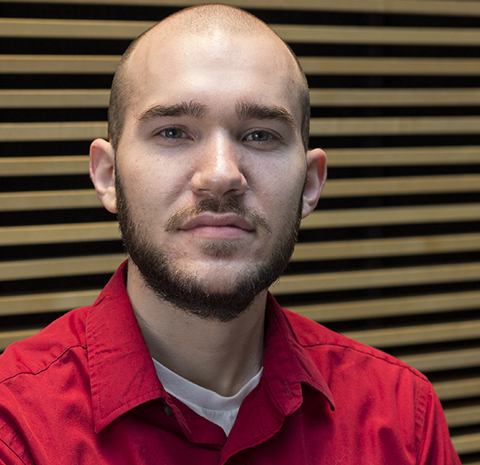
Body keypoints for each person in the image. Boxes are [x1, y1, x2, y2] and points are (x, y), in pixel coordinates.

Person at [0, 4, 460, 464]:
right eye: (174, 131)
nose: (221, 175)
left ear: (310, 183)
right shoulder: (15, 428)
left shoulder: (403, 418)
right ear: (107, 176)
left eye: (260, 135)